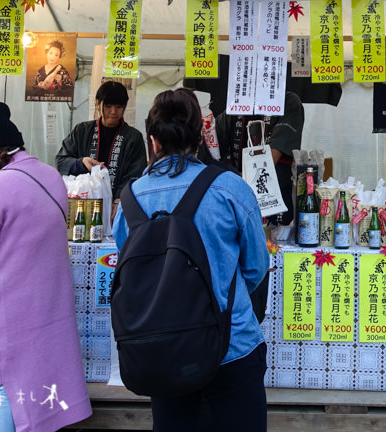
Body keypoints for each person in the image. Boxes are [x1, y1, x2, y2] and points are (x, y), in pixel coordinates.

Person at [113, 88, 269, 432]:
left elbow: (131, 272)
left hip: (161, 348)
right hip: (233, 346)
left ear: (153, 141)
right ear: (200, 135)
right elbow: (257, 267)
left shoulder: (130, 199)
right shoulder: (230, 188)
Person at [0, 101, 91, 432]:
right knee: (32, 380)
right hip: (43, 304)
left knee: (0, 387)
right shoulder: (50, 176)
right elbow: (22, 223)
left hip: (4, 305)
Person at [213, 91, 304, 233]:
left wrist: (233, 179)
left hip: (275, 202)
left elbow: (272, 158)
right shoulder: (235, 107)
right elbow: (213, 152)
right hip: (237, 202)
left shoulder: (288, 101)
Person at [55, 81, 146, 198]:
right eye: (108, 106)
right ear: (98, 103)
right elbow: (61, 161)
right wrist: (81, 162)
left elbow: (135, 174)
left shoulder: (133, 137)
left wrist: (119, 200)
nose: (113, 111)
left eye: (119, 107)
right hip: (84, 202)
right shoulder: (81, 130)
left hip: (118, 204)